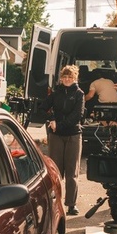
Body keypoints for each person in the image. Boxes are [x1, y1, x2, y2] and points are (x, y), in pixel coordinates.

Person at [45, 64, 85, 216]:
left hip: (73, 134)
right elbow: (43, 107)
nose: (67, 79)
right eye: (65, 77)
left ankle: (71, 204)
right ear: (61, 78)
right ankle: (55, 201)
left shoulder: (79, 94)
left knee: (72, 172)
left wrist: (60, 125)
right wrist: (52, 118)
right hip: (56, 136)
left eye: (70, 77)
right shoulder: (56, 93)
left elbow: (78, 115)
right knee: (55, 170)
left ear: (75, 78)